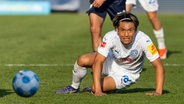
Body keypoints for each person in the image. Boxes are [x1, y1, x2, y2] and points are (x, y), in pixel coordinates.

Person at [55, 12, 164, 96]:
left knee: (93, 88)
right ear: (117, 29)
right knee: (82, 60)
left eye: (130, 30)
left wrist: (158, 92)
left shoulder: (144, 40)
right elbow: (98, 61)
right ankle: (74, 87)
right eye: (123, 30)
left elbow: (158, 65)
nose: (126, 34)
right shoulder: (110, 36)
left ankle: (110, 86)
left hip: (128, 73)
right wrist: (98, 91)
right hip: (113, 61)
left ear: (135, 30)